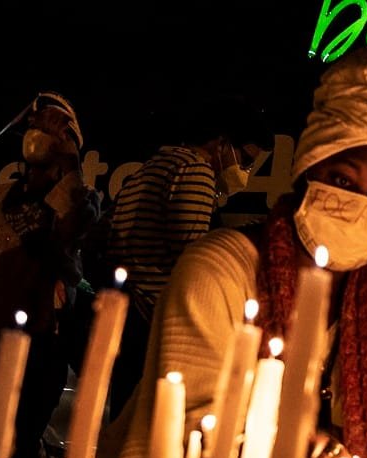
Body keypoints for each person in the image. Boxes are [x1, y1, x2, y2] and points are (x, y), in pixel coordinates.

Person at [93, 38, 367, 458]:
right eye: (342, 179)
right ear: (307, 170)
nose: (359, 206)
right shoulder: (217, 271)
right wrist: (296, 455)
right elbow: (191, 430)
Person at [102, 97, 273, 421]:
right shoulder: (195, 171)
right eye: (246, 160)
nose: (246, 172)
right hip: (152, 319)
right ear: (222, 143)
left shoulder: (150, 169)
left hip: (129, 314)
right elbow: (192, 262)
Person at [0, 91, 101, 458]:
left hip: (42, 343)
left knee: (19, 444)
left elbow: (68, 232)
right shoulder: (4, 194)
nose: (40, 132)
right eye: (37, 126)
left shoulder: (81, 200)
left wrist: (70, 161)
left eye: (55, 128)